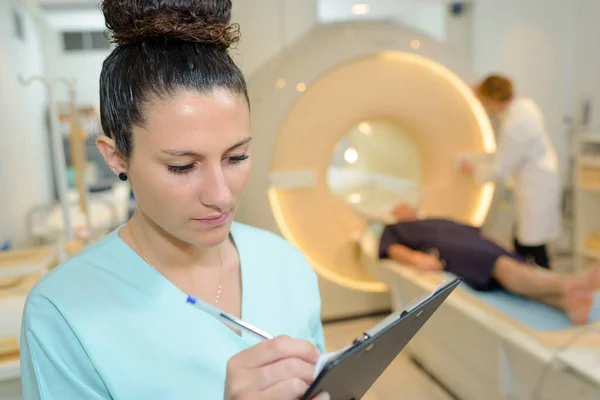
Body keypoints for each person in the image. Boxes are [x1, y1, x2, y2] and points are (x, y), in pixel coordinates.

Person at [19, 1, 329, 399]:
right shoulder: (62, 312)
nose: (220, 196)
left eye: (236, 158)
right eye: (182, 166)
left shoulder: (286, 264)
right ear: (116, 157)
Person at [379, 204, 600, 325]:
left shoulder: (438, 219)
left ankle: (567, 302)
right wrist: (418, 259)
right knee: (503, 268)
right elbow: (392, 249)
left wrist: (501, 245)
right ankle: (573, 282)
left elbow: (478, 233)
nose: (406, 207)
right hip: (456, 250)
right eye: (399, 207)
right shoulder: (394, 229)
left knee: (517, 273)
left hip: (479, 244)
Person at [461, 74, 561, 269]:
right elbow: (505, 154)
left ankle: (543, 283)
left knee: (531, 242)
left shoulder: (514, 126)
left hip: (535, 185)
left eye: (484, 101)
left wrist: (474, 169)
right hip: (540, 179)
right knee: (527, 238)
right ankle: (533, 278)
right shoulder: (525, 106)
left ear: (491, 100)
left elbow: (500, 167)